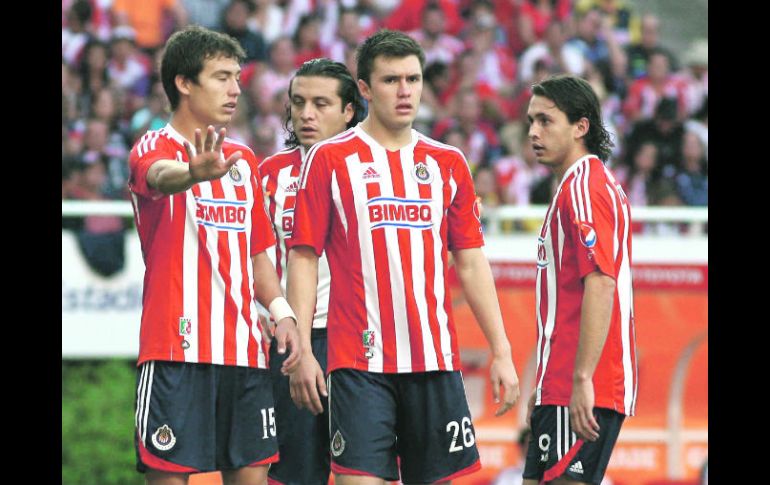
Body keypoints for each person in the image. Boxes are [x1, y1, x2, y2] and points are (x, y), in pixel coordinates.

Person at [285, 29, 521, 484]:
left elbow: (471, 262)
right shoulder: (329, 159)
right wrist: (303, 351)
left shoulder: (448, 162)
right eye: (391, 80)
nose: (405, 91)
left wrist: (502, 351)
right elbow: (304, 257)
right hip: (358, 363)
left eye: (413, 79)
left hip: (434, 361)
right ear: (366, 89)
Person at [126, 25, 300, 485]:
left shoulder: (243, 160)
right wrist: (191, 173)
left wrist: (282, 312)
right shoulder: (154, 147)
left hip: (244, 352)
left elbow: (258, 254)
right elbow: (159, 176)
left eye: (237, 78)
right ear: (184, 82)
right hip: (175, 351)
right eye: (222, 77)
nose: (235, 89)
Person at [523, 74, 637, 485]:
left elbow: (602, 282)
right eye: (531, 121)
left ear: (580, 126)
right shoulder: (576, 186)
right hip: (559, 382)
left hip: (583, 383)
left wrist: (583, 378)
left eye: (545, 121)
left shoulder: (586, 188)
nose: (533, 132)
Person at [258, 57, 365, 485]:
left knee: (365, 470)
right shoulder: (268, 176)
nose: (306, 114)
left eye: (321, 104)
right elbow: (256, 260)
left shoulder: (374, 169)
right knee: (295, 473)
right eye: (298, 102)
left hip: (361, 338)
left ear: (349, 110)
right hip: (293, 339)